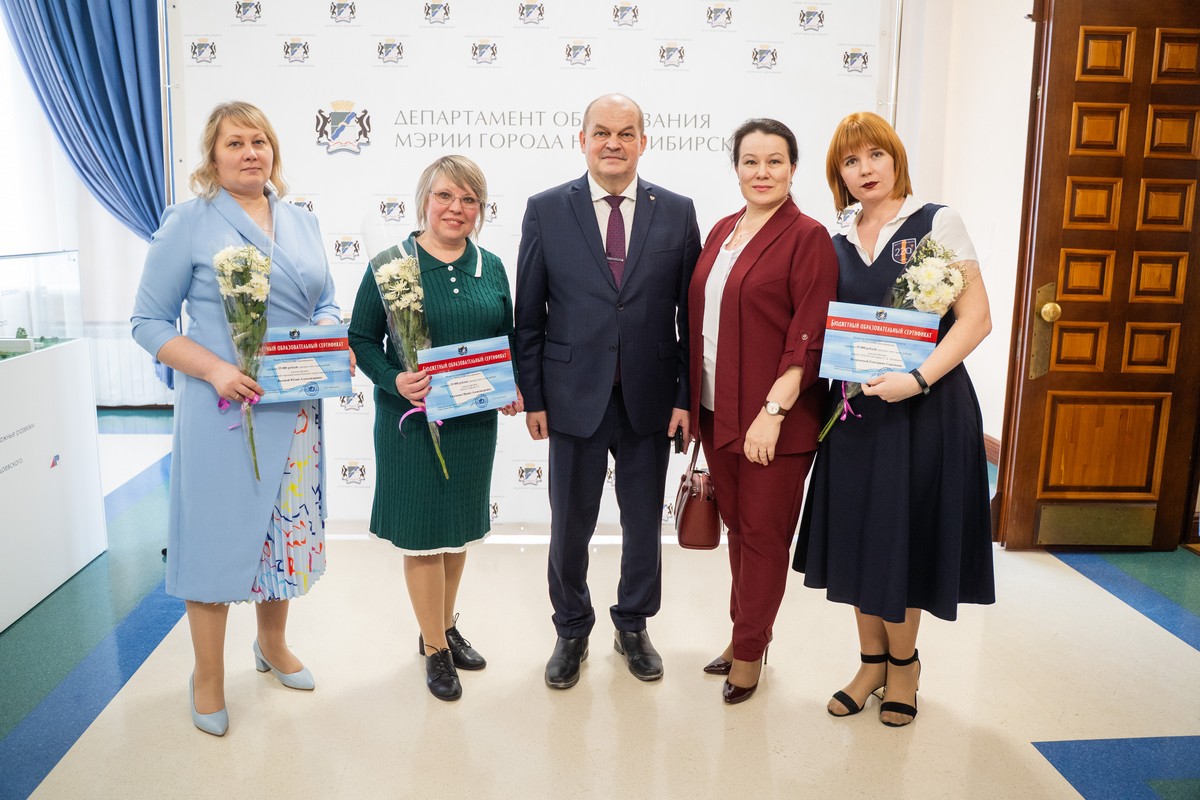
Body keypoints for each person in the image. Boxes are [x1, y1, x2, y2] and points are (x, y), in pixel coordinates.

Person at [131, 101, 343, 736]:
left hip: (294, 410)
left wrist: (329, 335)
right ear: (212, 156)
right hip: (222, 411)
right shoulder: (188, 222)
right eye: (235, 143)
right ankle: (207, 675)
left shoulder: (302, 220)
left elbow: (326, 300)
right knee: (215, 542)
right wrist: (216, 370)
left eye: (260, 141)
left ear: (274, 151)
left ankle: (271, 645)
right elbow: (148, 323)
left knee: (282, 535)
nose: (250, 153)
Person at [794, 111, 995, 727]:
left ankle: (904, 666)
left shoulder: (937, 222)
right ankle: (870, 664)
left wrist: (918, 379)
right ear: (839, 175)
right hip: (855, 413)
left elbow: (975, 319)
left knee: (902, 537)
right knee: (859, 535)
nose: (865, 169)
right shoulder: (835, 234)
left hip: (925, 410)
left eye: (875, 155)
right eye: (850, 161)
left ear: (895, 158)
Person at [514, 93, 701, 689]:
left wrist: (685, 396)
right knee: (570, 525)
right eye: (601, 132)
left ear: (644, 141)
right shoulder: (546, 209)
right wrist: (534, 397)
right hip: (572, 396)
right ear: (583, 139)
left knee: (643, 524)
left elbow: (690, 319)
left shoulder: (677, 211)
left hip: (650, 398)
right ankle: (571, 629)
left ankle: (633, 625)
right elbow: (529, 316)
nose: (613, 143)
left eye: (625, 133)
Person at [348, 155, 522, 702]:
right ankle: (433, 647)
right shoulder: (390, 265)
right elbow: (360, 338)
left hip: (472, 425)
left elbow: (507, 339)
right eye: (445, 195)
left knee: (457, 530)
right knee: (424, 535)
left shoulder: (491, 267)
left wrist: (512, 385)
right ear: (424, 199)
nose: (456, 208)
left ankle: (444, 625)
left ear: (481, 209)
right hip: (411, 426)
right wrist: (394, 379)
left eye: (469, 199)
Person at [687, 118, 838, 704]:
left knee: (764, 537)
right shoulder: (723, 229)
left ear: (793, 169)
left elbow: (810, 335)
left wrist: (773, 410)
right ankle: (744, 634)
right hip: (717, 410)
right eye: (751, 161)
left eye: (775, 161)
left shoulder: (808, 237)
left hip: (775, 419)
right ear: (736, 168)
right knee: (738, 532)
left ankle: (750, 652)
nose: (762, 172)